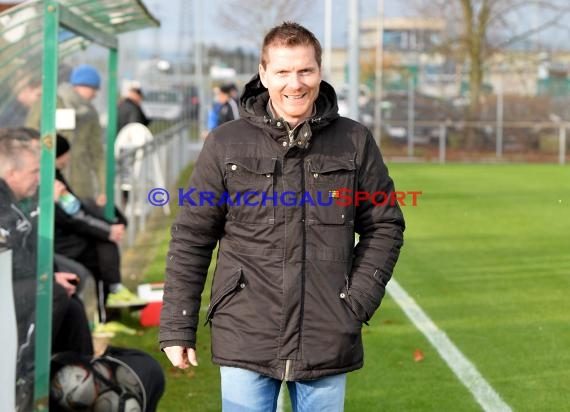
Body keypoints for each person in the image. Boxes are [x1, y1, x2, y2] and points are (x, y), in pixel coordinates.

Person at [159, 22, 405, 411]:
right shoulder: (225, 143)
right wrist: (177, 324)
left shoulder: (354, 141)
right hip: (244, 331)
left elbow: (385, 224)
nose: (296, 83)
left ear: (319, 72)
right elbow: (192, 235)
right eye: (283, 72)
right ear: (263, 75)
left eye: (305, 70)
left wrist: (357, 299)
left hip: (326, 333)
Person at [0, 127, 93, 411]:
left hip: (13, 283)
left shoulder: (15, 200)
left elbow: (25, 244)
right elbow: (10, 243)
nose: (40, 179)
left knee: (72, 304)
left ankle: (82, 380)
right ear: (12, 173)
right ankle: (23, 375)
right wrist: (46, 278)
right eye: (34, 172)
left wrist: (48, 274)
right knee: (50, 292)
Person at [53, 134, 143, 320]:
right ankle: (111, 299)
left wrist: (108, 228)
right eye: (66, 154)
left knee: (103, 246)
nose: (69, 158)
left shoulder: (55, 176)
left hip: (67, 235)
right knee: (103, 246)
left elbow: (75, 209)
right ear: (59, 155)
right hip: (61, 242)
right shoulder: (51, 180)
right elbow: (72, 217)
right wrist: (108, 231)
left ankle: (110, 305)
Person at [26, 64, 106, 202]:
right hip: (51, 178)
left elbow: (97, 152)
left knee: (78, 217)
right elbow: (30, 134)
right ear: (82, 85)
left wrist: (103, 188)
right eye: (94, 88)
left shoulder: (90, 113)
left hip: (81, 182)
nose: (95, 94)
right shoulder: (49, 102)